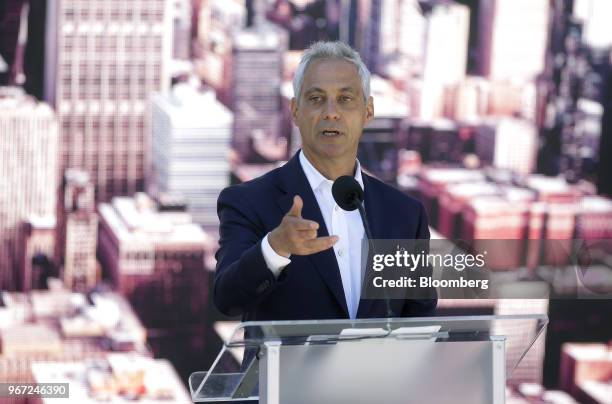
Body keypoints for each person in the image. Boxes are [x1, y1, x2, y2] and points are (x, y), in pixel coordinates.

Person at [214, 41, 436, 323]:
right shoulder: (249, 202)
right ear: (295, 111)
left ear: (368, 111)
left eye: (345, 99)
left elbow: (421, 322)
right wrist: (275, 247)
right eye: (316, 99)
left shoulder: (404, 215)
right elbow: (226, 299)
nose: (331, 112)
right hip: (283, 369)